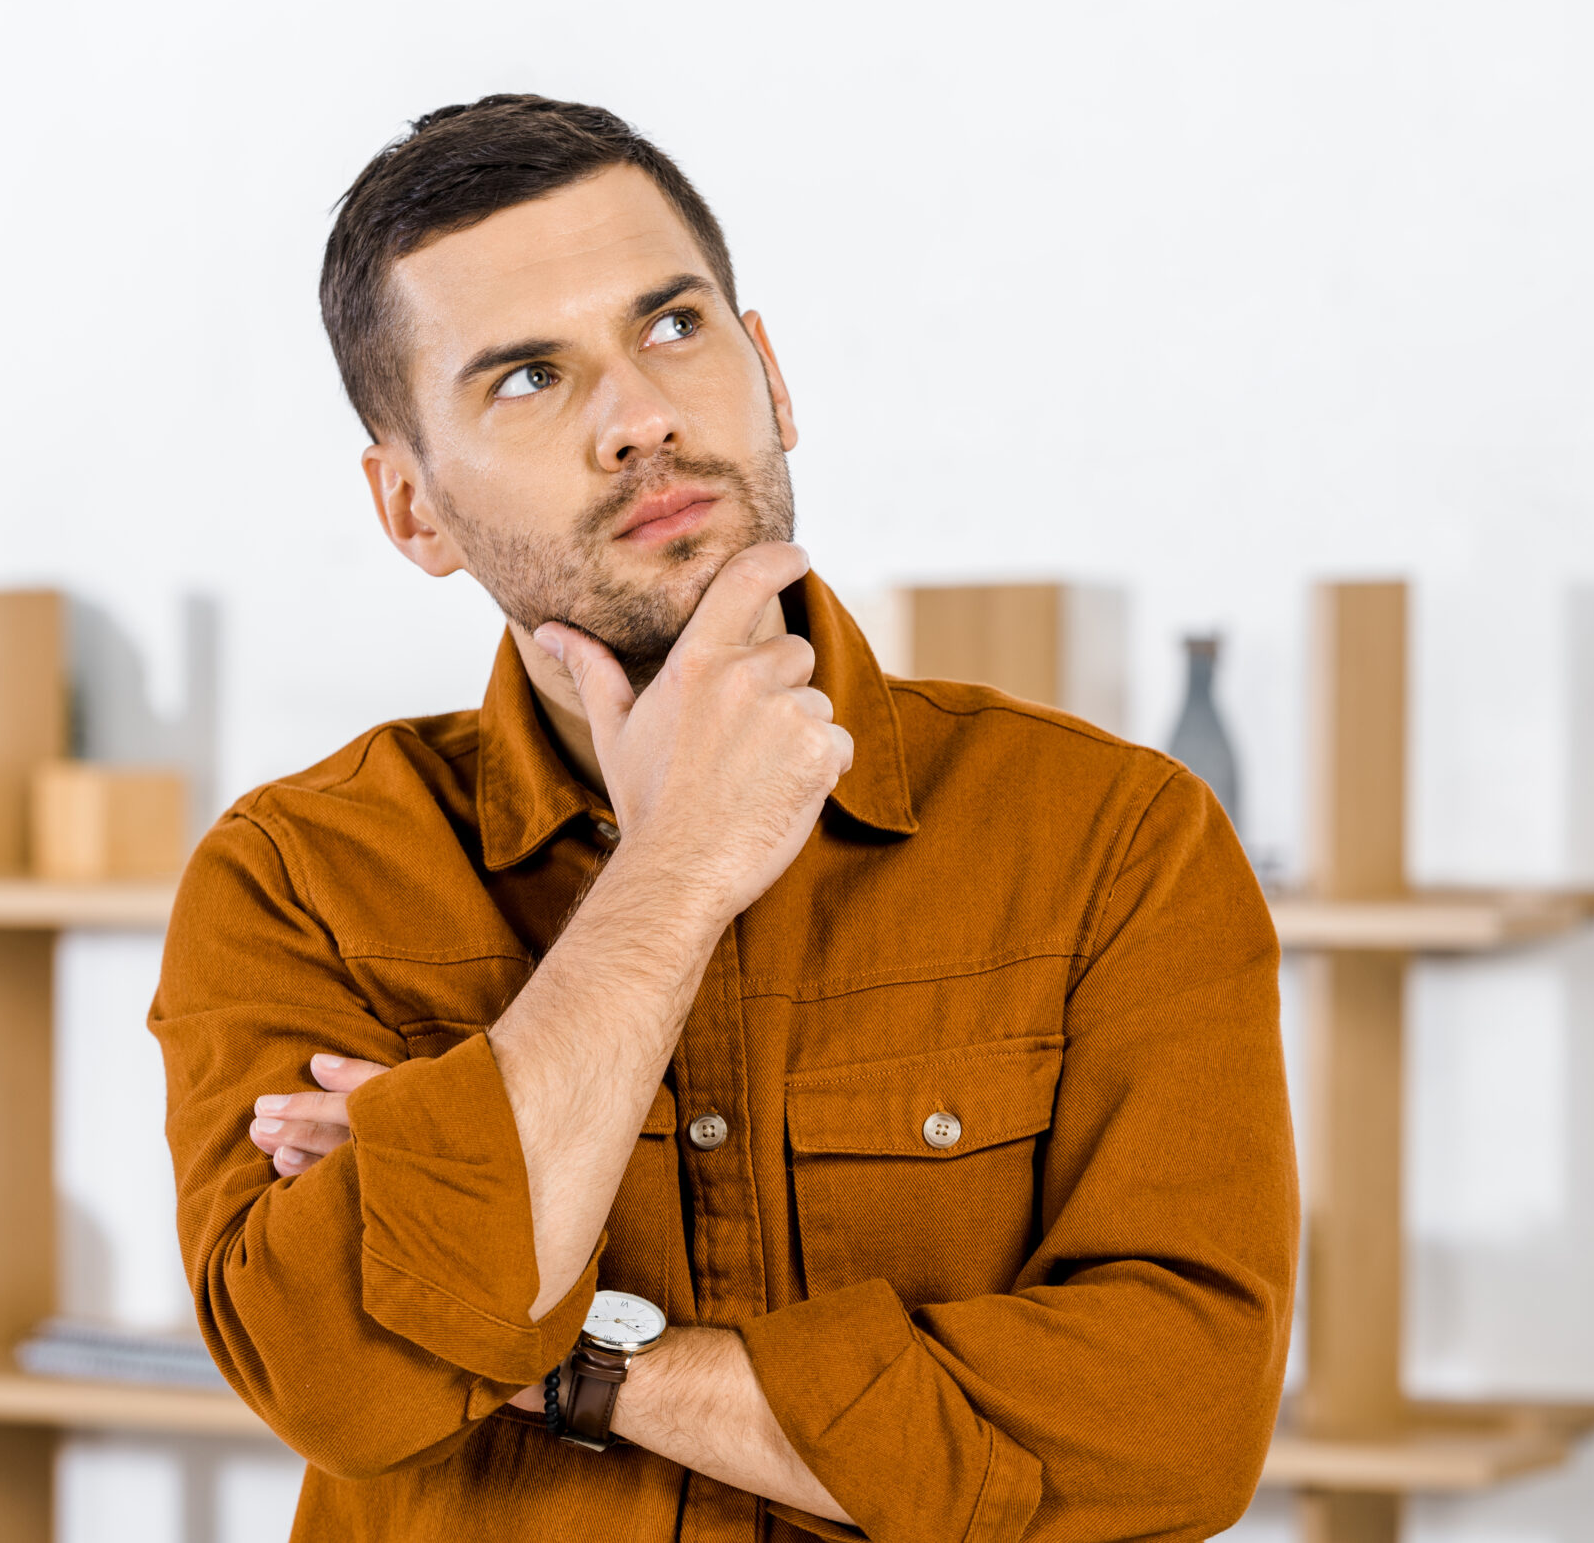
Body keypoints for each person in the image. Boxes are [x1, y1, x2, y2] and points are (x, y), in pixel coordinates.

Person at [152, 95, 1297, 1543]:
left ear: (772, 375)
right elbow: (343, 1378)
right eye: (525, 378)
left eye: (675, 328)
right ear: (411, 510)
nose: (642, 418)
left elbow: (1176, 1429)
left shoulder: (1114, 839)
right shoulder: (296, 878)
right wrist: (678, 866)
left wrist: (570, 1364)